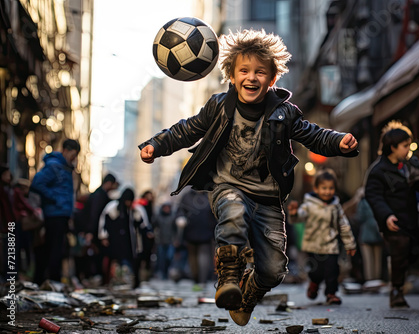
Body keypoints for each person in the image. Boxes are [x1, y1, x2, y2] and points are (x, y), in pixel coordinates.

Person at [139, 28, 358, 326]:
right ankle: (228, 275)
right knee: (233, 209)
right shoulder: (218, 106)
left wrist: (338, 142)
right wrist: (156, 144)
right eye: (244, 70)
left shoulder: (285, 113)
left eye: (260, 72)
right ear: (231, 74)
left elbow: (313, 135)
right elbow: (187, 129)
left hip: (267, 199)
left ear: (272, 79)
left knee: (274, 268)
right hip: (227, 186)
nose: (251, 78)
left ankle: (245, 294)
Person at [365, 123, 419, 308]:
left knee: (410, 254)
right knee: (400, 249)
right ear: (393, 147)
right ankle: (397, 291)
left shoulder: (410, 164)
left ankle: (398, 283)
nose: (408, 149)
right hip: (393, 222)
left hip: (411, 219)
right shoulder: (378, 171)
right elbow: (374, 196)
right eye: (405, 145)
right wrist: (386, 216)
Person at [287, 169, 356, 305]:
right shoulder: (309, 205)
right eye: (324, 188)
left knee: (332, 270)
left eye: (331, 188)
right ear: (316, 189)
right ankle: (314, 283)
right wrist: (294, 213)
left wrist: (350, 244)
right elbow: (298, 218)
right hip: (313, 245)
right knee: (316, 271)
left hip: (331, 245)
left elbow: (344, 226)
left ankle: (331, 293)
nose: (327, 191)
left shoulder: (336, 207)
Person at [30, 139, 80, 284]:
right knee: (54, 250)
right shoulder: (54, 166)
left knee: (53, 249)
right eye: (73, 154)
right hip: (54, 214)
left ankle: (44, 281)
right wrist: (55, 199)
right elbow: (37, 183)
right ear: (66, 150)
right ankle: (52, 281)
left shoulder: (65, 168)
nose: (74, 158)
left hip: (61, 214)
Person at [79, 173, 119, 279]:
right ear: (109, 183)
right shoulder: (99, 195)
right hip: (94, 231)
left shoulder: (100, 194)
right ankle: (91, 276)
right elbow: (94, 214)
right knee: (93, 254)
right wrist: (90, 232)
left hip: (94, 230)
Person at [176, 187, 217, 290]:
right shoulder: (186, 197)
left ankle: (202, 280)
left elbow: (215, 213)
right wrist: (180, 218)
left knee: (204, 257)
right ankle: (196, 279)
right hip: (190, 233)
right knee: (193, 258)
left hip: (206, 233)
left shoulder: (209, 196)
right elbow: (180, 210)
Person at [355, 187, 385, 288]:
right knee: (376, 260)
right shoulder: (378, 202)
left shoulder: (363, 203)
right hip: (375, 233)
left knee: (369, 261)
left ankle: (371, 281)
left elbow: (359, 217)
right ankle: (375, 281)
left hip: (367, 234)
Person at [152, 201, 177, 280]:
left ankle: (167, 271)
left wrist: (176, 240)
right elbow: (153, 226)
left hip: (170, 241)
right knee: (161, 259)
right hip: (160, 241)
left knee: (169, 257)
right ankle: (163, 274)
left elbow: (176, 230)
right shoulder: (158, 217)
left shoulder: (173, 217)